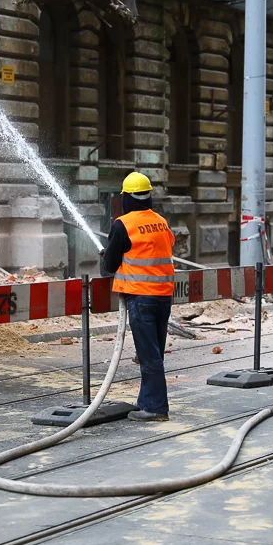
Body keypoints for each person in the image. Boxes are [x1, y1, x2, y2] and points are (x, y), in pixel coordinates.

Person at [101, 172, 175, 422]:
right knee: (154, 352)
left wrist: (108, 254)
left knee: (148, 355)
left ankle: (155, 408)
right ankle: (147, 401)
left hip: (141, 297)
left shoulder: (123, 224)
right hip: (163, 296)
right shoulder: (161, 222)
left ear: (126, 198)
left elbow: (110, 265)